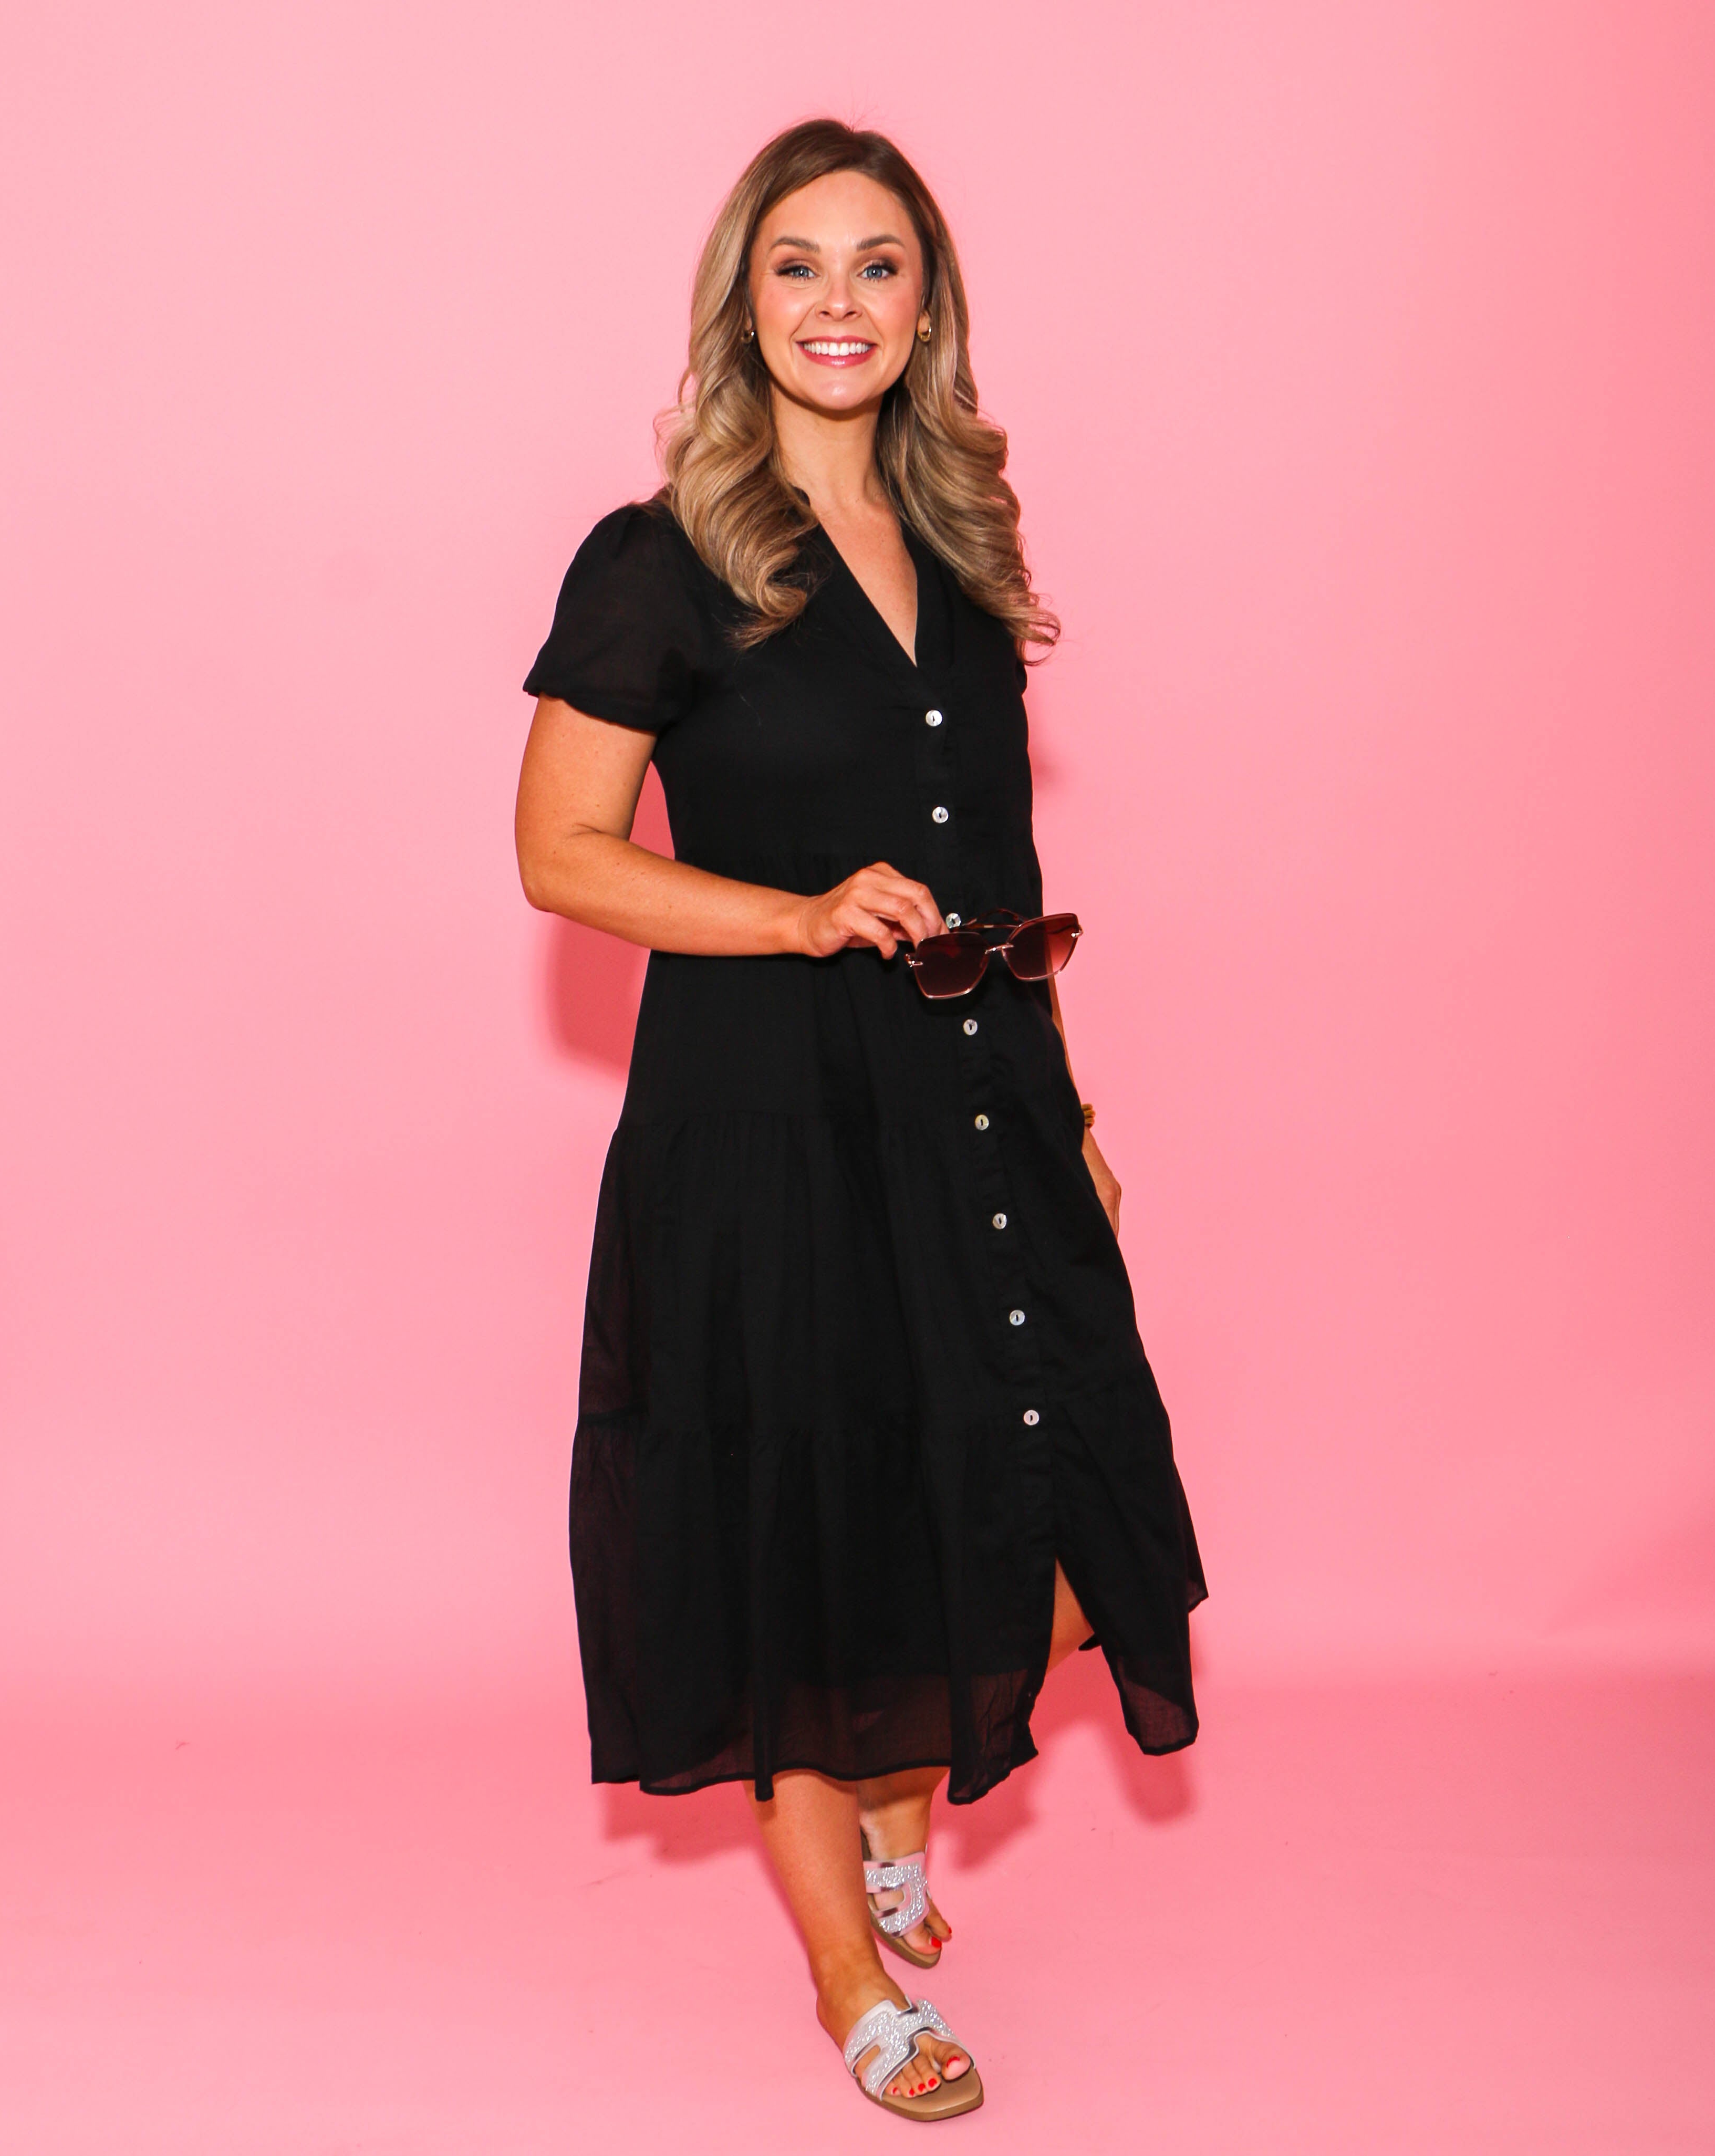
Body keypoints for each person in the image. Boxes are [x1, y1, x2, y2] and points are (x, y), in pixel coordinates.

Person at [514, 117, 1205, 2121]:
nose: (839, 303)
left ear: (926, 308)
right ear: (744, 302)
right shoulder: (657, 561)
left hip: (974, 1105)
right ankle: (849, 1973)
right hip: (764, 1120)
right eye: (798, 264)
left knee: (1066, 1507)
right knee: (805, 1541)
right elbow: (560, 853)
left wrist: (1065, 1107)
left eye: (878, 265)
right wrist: (798, 916)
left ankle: (899, 1795)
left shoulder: (964, 553)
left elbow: (992, 863)